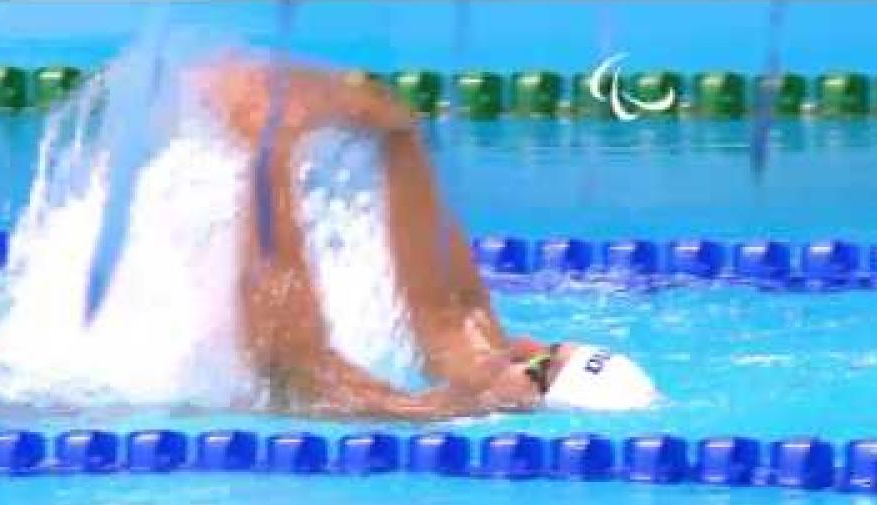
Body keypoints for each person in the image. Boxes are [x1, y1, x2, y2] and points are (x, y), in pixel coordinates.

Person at [192, 58, 659, 419]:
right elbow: (452, 307)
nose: (528, 346)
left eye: (538, 367)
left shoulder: (423, 418)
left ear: (532, 411)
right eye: (549, 347)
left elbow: (289, 369)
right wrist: (398, 137)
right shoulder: (486, 375)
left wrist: (270, 153)